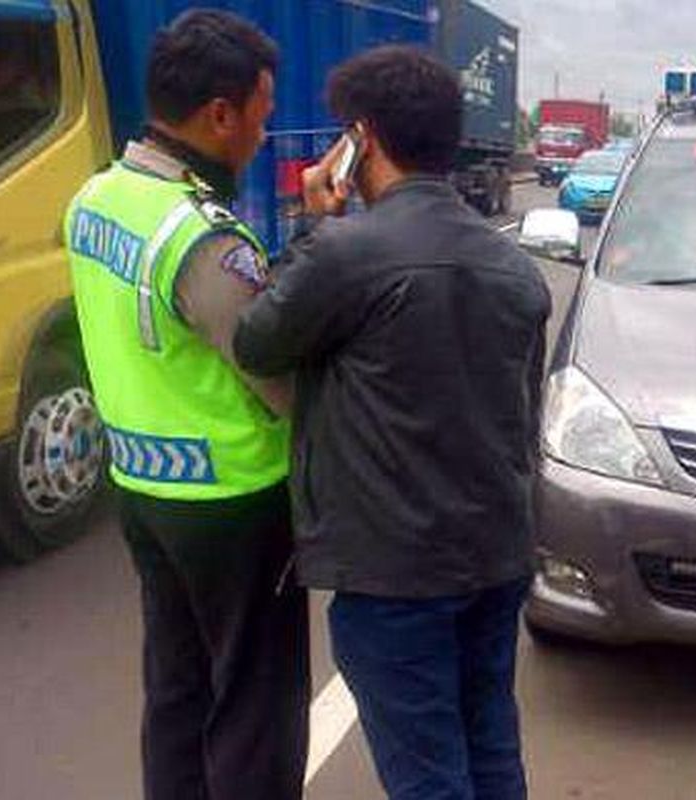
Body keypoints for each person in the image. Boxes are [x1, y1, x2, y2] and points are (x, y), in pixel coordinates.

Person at [234, 45, 551, 800]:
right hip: (495, 556)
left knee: (426, 777)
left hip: (396, 571)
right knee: (490, 747)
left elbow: (256, 342)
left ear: (361, 140)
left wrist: (314, 224)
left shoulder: (346, 252)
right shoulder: (517, 268)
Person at [64, 11, 308, 800]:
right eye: (262, 118)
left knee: (177, 690)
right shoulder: (201, 237)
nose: (263, 138)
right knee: (254, 705)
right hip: (232, 504)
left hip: (140, 488)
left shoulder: (94, 198)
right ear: (220, 115)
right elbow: (276, 372)